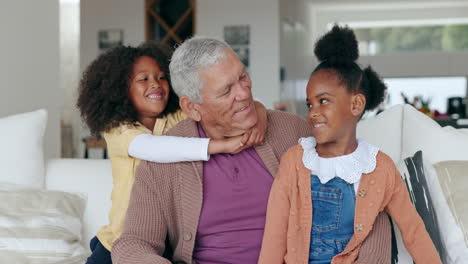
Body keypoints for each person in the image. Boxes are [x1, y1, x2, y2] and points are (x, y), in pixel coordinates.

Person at [111, 37, 392, 264]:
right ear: (192, 107)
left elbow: (369, 203)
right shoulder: (166, 156)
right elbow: (133, 243)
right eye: (226, 91)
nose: (244, 93)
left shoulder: (295, 133)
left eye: (242, 76)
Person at [258, 25, 442, 264]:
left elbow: (413, 231)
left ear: (356, 105)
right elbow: (274, 234)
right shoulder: (295, 161)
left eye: (324, 101)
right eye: (310, 104)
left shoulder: (380, 168)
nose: (313, 112)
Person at [76, 42, 268, 264]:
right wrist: (219, 146)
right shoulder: (118, 129)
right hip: (120, 243)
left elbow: (220, 109)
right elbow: (153, 148)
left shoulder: (175, 119)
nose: (155, 85)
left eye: (161, 77)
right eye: (143, 79)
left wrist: (260, 116)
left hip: (169, 242)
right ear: (120, 89)